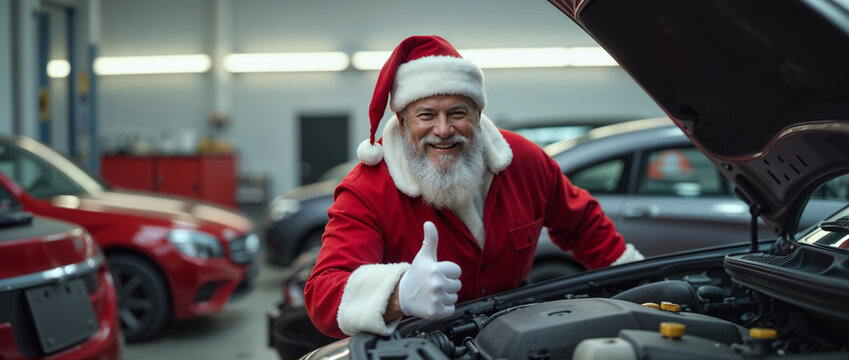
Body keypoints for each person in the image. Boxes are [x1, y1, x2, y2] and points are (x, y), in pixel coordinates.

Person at [304, 35, 643, 339]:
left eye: (457, 113)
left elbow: (583, 226)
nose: (443, 130)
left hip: (514, 337)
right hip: (419, 343)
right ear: (403, 122)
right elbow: (323, 295)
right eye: (426, 115)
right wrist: (400, 294)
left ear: (478, 116)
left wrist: (640, 288)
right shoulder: (367, 190)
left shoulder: (524, 161)